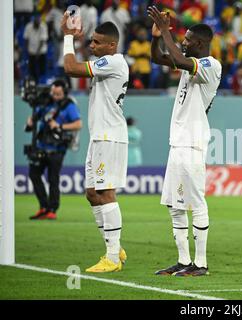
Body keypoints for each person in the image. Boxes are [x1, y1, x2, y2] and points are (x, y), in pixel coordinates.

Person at [148, 6, 221, 276]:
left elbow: (177, 58)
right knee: (174, 204)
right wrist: (157, 36)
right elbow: (158, 58)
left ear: (200, 44)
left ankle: (200, 264)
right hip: (177, 143)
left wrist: (167, 32)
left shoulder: (211, 66)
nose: (183, 42)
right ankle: (183, 260)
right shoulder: (189, 66)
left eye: (188, 39)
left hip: (192, 143)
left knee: (196, 202)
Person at [61, 14, 129, 272]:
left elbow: (70, 68)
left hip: (109, 137)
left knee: (105, 192)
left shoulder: (113, 62)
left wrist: (68, 36)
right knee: (92, 193)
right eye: (91, 41)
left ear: (111, 46)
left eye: (97, 42)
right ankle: (115, 246)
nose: (92, 45)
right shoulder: (108, 61)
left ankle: (112, 257)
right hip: (100, 136)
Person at [27, 80, 82, 220]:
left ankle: (52, 209)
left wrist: (60, 126)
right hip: (41, 146)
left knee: (53, 179)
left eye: (58, 94)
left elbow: (78, 124)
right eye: (54, 93)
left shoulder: (69, 105)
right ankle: (44, 206)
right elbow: (35, 116)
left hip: (57, 148)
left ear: (64, 92)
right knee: (34, 174)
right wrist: (30, 121)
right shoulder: (46, 102)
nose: (55, 96)